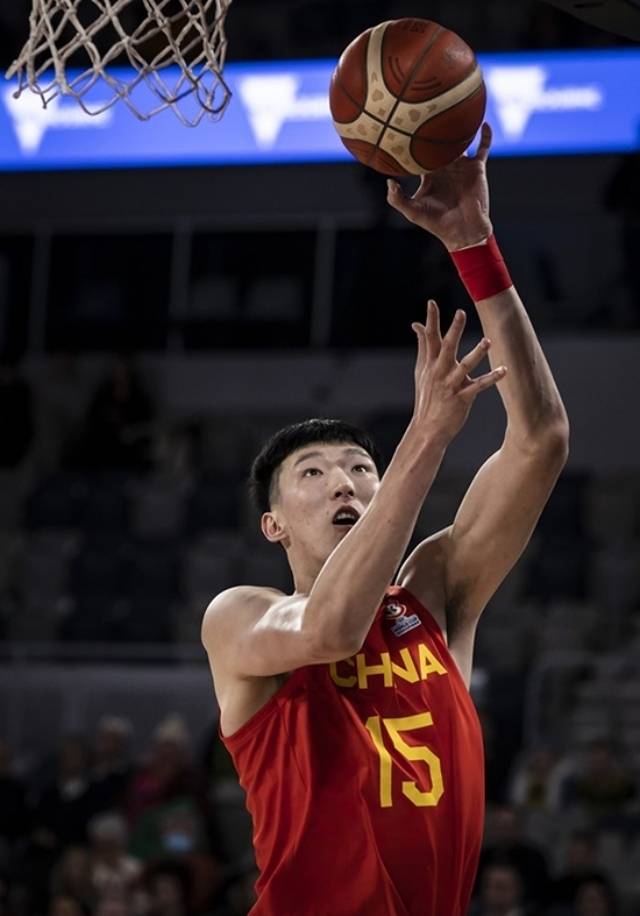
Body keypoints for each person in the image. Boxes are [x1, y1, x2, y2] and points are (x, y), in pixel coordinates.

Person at [201, 123, 570, 916]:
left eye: (360, 468)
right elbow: (332, 629)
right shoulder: (239, 620)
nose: (344, 481)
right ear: (273, 526)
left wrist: (474, 245)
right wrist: (425, 436)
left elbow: (541, 439)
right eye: (313, 473)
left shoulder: (434, 591)